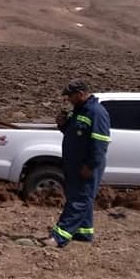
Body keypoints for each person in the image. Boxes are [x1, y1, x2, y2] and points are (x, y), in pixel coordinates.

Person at [43, 79, 111, 248]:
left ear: (81, 94)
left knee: (79, 199)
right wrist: (63, 125)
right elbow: (75, 134)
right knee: (79, 197)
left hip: (86, 165)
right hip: (74, 164)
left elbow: (100, 143)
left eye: (70, 96)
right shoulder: (79, 111)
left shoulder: (96, 113)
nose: (68, 100)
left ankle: (59, 236)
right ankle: (83, 232)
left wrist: (90, 165)